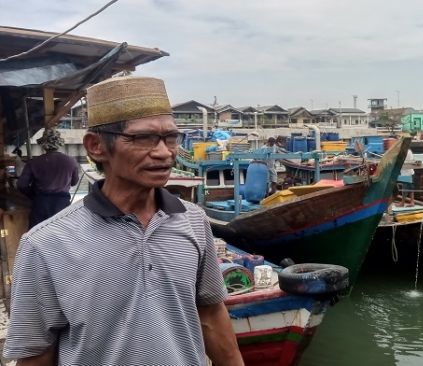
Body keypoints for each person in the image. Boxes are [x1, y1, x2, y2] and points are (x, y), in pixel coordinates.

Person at [4, 76, 244, 366]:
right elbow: (36, 357)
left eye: (170, 137)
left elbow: (211, 316)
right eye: (142, 138)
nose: (164, 152)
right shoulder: (45, 245)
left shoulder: (193, 220)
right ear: (96, 146)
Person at [17, 129, 79, 228]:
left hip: (40, 204)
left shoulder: (34, 163)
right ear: (59, 143)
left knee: (37, 237)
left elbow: (21, 185)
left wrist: (33, 195)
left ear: (43, 144)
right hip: (62, 205)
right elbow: (74, 182)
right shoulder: (71, 161)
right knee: (62, 236)